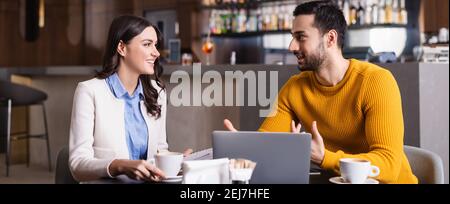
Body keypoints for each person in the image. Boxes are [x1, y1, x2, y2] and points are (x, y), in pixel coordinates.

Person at [224, 1, 417, 184]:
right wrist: (245, 147)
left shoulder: (376, 81)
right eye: (293, 37)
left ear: (330, 38)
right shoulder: (294, 88)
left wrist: (326, 158)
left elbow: (388, 165)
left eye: (301, 37)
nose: (292, 46)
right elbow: (266, 140)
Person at [69, 15, 191, 182]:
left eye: (155, 45)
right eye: (147, 44)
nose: (156, 53)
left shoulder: (157, 92)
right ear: (122, 48)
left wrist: (176, 161)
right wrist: (120, 165)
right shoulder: (89, 91)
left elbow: (160, 150)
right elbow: (77, 165)